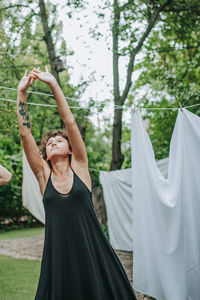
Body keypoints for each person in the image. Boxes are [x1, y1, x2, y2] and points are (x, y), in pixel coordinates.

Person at [17, 68, 137, 300]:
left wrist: (53, 83)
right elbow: (25, 135)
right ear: (46, 154)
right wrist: (21, 92)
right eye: (49, 142)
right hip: (59, 255)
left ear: (71, 150)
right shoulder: (43, 175)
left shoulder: (80, 166)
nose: (52, 142)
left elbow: (69, 120)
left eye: (59, 140)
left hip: (93, 250)